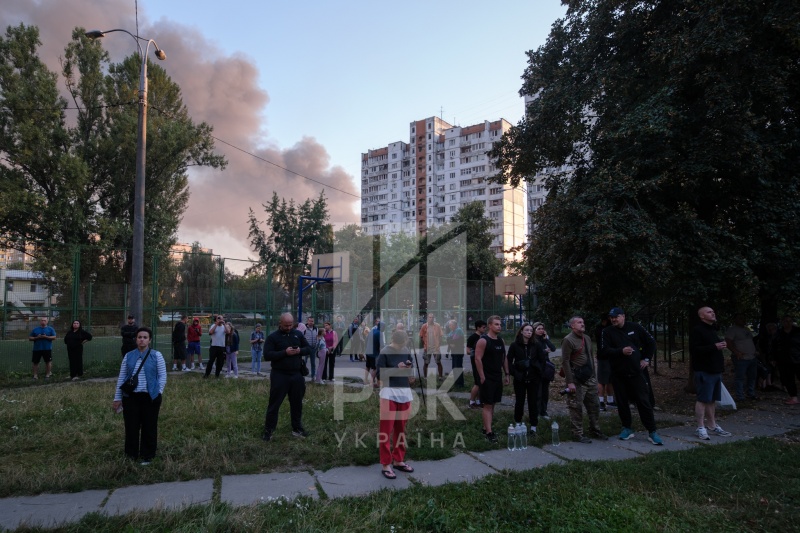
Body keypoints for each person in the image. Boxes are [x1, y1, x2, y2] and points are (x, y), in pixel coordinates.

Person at [599, 308, 662, 445]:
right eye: (611, 318)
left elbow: (651, 342)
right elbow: (604, 351)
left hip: (636, 372)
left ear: (623, 316)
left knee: (643, 401)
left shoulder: (635, 327)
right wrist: (621, 351)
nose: (613, 320)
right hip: (618, 373)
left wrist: (646, 359)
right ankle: (627, 428)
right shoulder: (607, 332)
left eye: (616, 317)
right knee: (622, 402)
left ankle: (652, 431)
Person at [112, 326, 167, 465]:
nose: (142, 340)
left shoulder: (156, 355)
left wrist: (158, 392)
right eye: (139, 337)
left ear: (149, 340)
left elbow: (162, 376)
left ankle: (148, 455)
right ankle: (131, 455)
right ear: (136, 339)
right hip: (131, 397)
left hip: (150, 397)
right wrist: (117, 398)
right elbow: (122, 377)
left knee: (149, 426)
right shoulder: (129, 356)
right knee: (131, 426)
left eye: (145, 337)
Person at [262, 313, 311, 441]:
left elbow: (309, 349)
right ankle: (268, 431)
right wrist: (285, 353)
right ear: (280, 323)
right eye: (285, 326)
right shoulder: (273, 337)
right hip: (280, 374)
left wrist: (300, 351)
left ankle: (297, 428)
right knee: (274, 404)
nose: (288, 328)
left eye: (290, 325)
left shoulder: (298, 334)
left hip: (296, 374)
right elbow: (267, 355)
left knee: (297, 403)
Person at [376, 329, 416, 479]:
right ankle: (386, 463)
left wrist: (410, 373)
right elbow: (379, 375)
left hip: (404, 393)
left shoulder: (405, 350)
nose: (403, 348)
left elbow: (409, 367)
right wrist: (396, 369)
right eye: (402, 345)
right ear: (396, 341)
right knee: (386, 430)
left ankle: (398, 460)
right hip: (389, 393)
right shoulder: (385, 352)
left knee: (401, 429)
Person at [689, 306, 733, 440]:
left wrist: (719, 346)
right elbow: (694, 350)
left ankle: (712, 425)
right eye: (709, 312)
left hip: (715, 370)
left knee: (712, 399)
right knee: (703, 399)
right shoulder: (698, 330)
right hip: (704, 370)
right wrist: (715, 346)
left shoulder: (713, 329)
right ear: (702, 316)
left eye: (713, 311)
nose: (713, 313)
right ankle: (700, 427)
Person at [562, 316, 607, 443]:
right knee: (576, 407)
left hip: (590, 378)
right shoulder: (568, 340)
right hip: (577, 379)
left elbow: (591, 358)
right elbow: (565, 361)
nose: (582, 324)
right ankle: (577, 433)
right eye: (579, 322)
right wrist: (570, 382)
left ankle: (595, 429)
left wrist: (594, 376)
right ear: (572, 326)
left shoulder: (586, 338)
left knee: (594, 405)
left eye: (583, 322)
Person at [506, 323, 547, 437]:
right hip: (520, 378)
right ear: (521, 332)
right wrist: (514, 373)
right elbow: (509, 361)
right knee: (520, 401)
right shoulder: (515, 345)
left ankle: (533, 426)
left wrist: (539, 373)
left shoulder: (536, 345)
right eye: (527, 330)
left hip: (534, 378)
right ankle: (518, 423)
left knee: (533, 402)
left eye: (531, 330)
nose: (529, 332)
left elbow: (542, 360)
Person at [474, 315, 509, 443]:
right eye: (496, 324)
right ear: (489, 325)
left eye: (500, 324)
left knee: (493, 403)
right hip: (487, 377)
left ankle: (486, 427)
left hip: (497, 376)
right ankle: (489, 432)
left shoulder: (500, 340)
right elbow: (477, 358)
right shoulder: (483, 340)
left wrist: (507, 374)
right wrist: (482, 376)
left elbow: (504, 358)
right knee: (487, 405)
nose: (499, 326)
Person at [725, 313, 760, 402]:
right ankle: (740, 396)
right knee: (740, 377)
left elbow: (750, 342)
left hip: (752, 357)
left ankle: (750, 393)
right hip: (741, 358)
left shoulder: (746, 330)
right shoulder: (732, 330)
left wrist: (754, 351)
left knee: (752, 377)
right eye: (740, 318)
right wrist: (736, 352)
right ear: (735, 320)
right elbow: (728, 342)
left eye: (744, 318)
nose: (743, 320)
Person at [532, 322, 556, 419]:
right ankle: (536, 411)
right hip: (537, 367)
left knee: (545, 391)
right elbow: (533, 353)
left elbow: (553, 348)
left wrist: (546, 340)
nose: (541, 330)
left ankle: (543, 411)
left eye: (542, 328)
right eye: (539, 329)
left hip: (545, 368)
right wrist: (543, 351)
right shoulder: (533, 340)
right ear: (534, 330)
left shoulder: (544, 339)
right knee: (538, 391)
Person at [775, 315, 800, 405]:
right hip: (784, 360)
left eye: (790, 321)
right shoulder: (779, 333)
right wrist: (773, 358)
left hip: (798, 359)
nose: (788, 323)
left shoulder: (798, 331)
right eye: (786, 321)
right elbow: (774, 346)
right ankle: (794, 397)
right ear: (782, 322)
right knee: (788, 380)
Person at [594, 313, 615, 410]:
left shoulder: (606, 328)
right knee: (602, 380)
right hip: (603, 357)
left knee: (610, 379)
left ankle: (610, 401)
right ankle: (600, 401)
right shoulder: (601, 330)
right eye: (611, 318)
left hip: (610, 356)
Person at [467, 320, 487, 410]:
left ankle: (479, 401)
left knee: (482, 382)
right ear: (478, 327)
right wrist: (477, 353)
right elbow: (467, 351)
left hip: (483, 361)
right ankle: (471, 402)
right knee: (477, 383)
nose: (485, 329)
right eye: (483, 327)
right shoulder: (472, 337)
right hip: (475, 361)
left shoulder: (484, 337)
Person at [420, 313, 444, 380]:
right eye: (430, 317)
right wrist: (425, 345)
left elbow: (441, 336)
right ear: (427, 318)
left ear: (434, 318)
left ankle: (440, 376)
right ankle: (425, 377)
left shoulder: (437, 326)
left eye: (432, 317)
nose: (431, 319)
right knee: (426, 363)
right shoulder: (424, 326)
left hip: (436, 347)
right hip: (427, 348)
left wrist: (438, 344)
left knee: (438, 362)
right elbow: (421, 336)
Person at [446, 319, 466, 388]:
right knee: (454, 367)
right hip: (454, 351)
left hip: (458, 351)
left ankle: (460, 384)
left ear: (454, 325)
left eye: (450, 325)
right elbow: (448, 340)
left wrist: (450, 341)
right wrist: (450, 342)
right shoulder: (452, 331)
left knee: (458, 367)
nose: (449, 326)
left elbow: (454, 341)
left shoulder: (458, 330)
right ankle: (456, 382)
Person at [367, 318, 385, 387]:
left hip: (369, 352)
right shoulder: (380, 333)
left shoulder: (372, 330)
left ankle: (374, 382)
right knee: (375, 368)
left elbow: (367, 340)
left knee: (369, 367)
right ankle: (371, 383)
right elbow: (382, 345)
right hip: (375, 353)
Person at [303, 316, 318, 381]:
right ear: (307, 321)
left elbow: (317, 338)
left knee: (313, 363)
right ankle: (303, 375)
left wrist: (316, 346)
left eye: (312, 321)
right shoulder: (304, 329)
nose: (311, 322)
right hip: (306, 348)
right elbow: (302, 338)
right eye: (310, 321)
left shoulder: (316, 329)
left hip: (313, 348)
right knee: (304, 362)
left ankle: (313, 376)